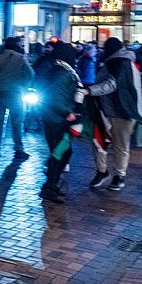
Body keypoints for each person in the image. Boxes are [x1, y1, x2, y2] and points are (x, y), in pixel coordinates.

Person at [83, 38, 142, 191]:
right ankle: (103, 171)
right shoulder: (113, 61)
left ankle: (118, 175)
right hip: (105, 108)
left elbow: (112, 84)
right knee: (98, 141)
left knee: (120, 144)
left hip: (123, 111)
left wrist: (90, 90)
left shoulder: (122, 63)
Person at [37, 47, 81, 203]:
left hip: (54, 118)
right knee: (60, 153)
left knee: (62, 153)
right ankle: (49, 187)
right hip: (57, 120)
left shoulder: (59, 71)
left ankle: (51, 184)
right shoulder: (62, 74)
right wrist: (67, 113)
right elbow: (55, 98)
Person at [0, 37, 34, 162]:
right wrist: (24, 85)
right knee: (17, 123)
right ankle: (18, 150)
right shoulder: (21, 58)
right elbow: (31, 74)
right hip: (16, 94)